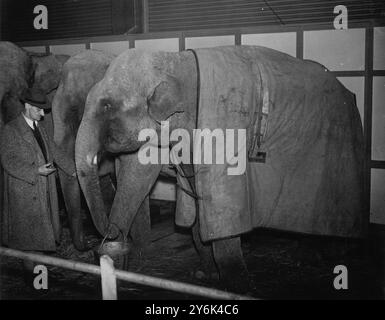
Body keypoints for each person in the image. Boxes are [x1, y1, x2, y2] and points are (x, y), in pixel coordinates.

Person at [0, 88, 76, 257]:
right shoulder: (10, 129)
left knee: (38, 239)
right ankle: (33, 279)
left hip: (42, 190)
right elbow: (8, 161)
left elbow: (54, 150)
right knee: (30, 243)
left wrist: (74, 170)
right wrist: (35, 171)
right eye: (38, 109)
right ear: (27, 106)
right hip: (24, 192)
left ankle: (38, 278)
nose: (42, 114)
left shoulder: (39, 128)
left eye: (43, 109)